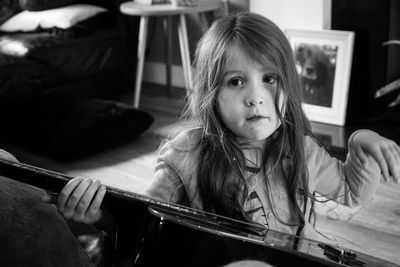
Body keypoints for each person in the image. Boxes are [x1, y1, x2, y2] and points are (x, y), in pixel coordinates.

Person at [56, 12, 400, 244]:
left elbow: (351, 191)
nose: (256, 97)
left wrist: (361, 140)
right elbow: (140, 222)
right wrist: (98, 214)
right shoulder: (186, 154)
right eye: (236, 81)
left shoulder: (298, 148)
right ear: (211, 94)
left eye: (269, 78)